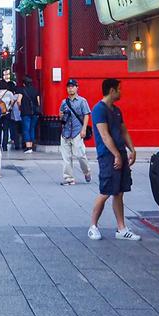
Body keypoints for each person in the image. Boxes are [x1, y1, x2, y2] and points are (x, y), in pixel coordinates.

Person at [87, 78, 141, 241]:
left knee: (118, 192)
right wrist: (116, 154)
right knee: (106, 191)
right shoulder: (99, 110)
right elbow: (104, 135)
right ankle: (93, 226)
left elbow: (123, 131)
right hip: (107, 155)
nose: (121, 92)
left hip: (120, 153)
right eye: (119, 89)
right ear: (112, 91)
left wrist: (131, 148)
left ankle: (121, 228)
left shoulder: (117, 110)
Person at [57, 79, 92, 186]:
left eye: (72, 86)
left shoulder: (82, 101)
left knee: (80, 154)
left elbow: (86, 114)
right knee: (66, 157)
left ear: (77, 88)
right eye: (68, 87)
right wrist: (61, 115)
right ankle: (69, 178)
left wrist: (84, 129)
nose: (70, 88)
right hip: (66, 132)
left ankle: (87, 171)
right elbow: (60, 114)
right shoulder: (64, 102)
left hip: (77, 131)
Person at [19, 76, 41, 154]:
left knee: (26, 129)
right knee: (32, 128)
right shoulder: (35, 91)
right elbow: (38, 102)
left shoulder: (22, 90)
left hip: (25, 112)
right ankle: (32, 145)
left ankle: (28, 147)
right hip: (34, 112)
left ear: (24, 83)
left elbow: (19, 101)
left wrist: (20, 108)